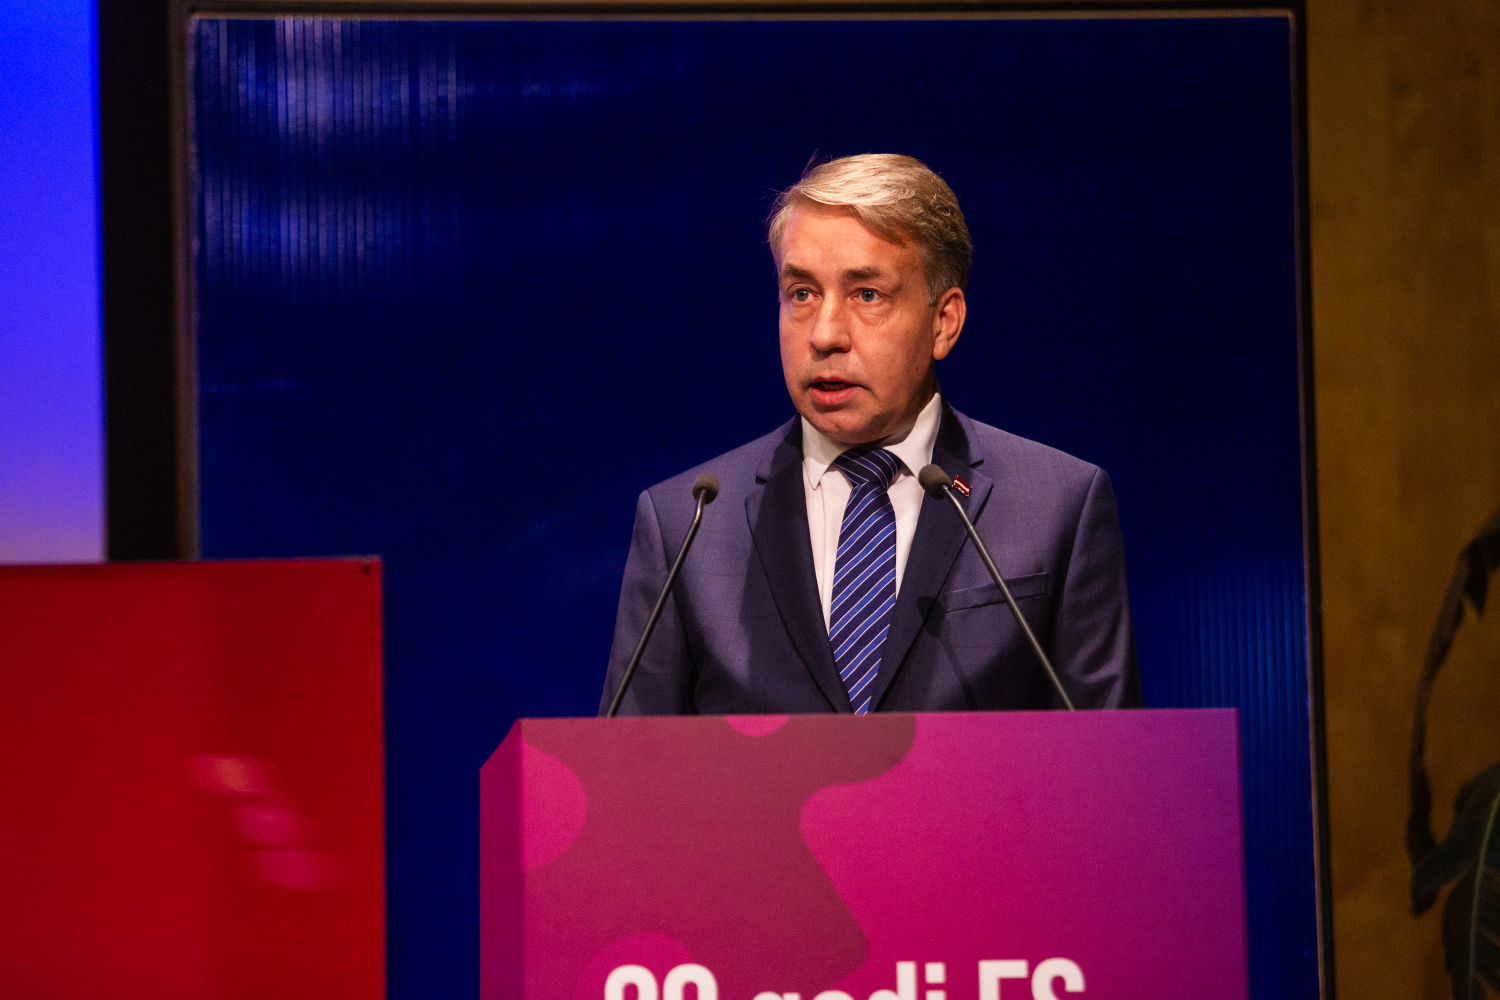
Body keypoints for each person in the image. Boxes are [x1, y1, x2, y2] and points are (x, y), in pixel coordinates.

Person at [599, 154, 1140, 715]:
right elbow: (627, 761)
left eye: (867, 295)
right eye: (802, 293)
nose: (825, 334)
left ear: (944, 322)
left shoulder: (1058, 507)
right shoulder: (688, 524)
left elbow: (1110, 759)